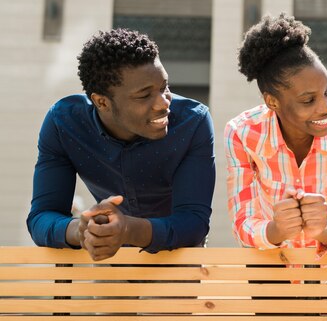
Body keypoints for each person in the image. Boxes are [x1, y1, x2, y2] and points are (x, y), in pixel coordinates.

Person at [27, 28, 216, 261]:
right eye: (144, 95)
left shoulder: (193, 122)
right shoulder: (63, 123)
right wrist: (81, 231)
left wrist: (127, 229)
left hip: (178, 252)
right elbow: (41, 216)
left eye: (164, 87)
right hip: (108, 252)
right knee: (106, 287)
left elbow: (194, 222)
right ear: (102, 102)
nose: (163, 103)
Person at [225, 13, 327, 253]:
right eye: (308, 100)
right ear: (272, 102)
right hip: (270, 279)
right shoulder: (243, 134)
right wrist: (276, 230)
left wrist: (326, 229)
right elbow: (242, 224)